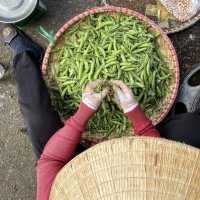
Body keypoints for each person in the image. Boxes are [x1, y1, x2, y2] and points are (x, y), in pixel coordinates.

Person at [1, 24, 200, 200]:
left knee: (37, 116)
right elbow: (158, 159)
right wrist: (135, 114)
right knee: (191, 128)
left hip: (71, 166)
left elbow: (50, 160)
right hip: (142, 164)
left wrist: (82, 114)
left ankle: (25, 55)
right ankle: (179, 114)